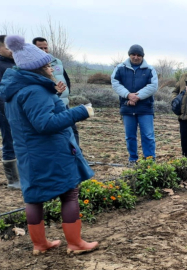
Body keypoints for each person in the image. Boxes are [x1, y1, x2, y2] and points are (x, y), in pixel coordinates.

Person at [0, 35, 98, 255]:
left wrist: (53, 94)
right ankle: (75, 243)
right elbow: (45, 124)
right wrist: (81, 111)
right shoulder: (35, 91)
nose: (51, 68)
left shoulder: (16, 90)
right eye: (46, 65)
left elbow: (31, 117)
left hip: (28, 153)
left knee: (34, 198)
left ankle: (40, 244)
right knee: (69, 194)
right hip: (50, 152)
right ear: (36, 68)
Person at [111, 44, 158, 164]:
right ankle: (133, 159)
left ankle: (149, 160)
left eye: (139, 55)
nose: (136, 57)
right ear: (129, 55)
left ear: (142, 56)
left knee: (148, 135)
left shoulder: (149, 69)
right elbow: (115, 83)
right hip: (127, 107)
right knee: (130, 136)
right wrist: (128, 95)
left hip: (145, 108)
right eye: (133, 55)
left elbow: (153, 86)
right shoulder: (120, 68)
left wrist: (137, 96)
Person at [32, 37, 80, 146]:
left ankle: (77, 154)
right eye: (40, 48)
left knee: (73, 130)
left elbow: (65, 78)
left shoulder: (56, 61)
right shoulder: (32, 65)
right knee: (58, 131)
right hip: (49, 103)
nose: (44, 50)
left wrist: (66, 93)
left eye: (46, 48)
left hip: (64, 102)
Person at [0, 35, 20, 189]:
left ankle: (21, 174)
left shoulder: (16, 63)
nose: (11, 50)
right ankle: (12, 180)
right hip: (4, 109)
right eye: (7, 47)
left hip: (17, 108)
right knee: (9, 140)